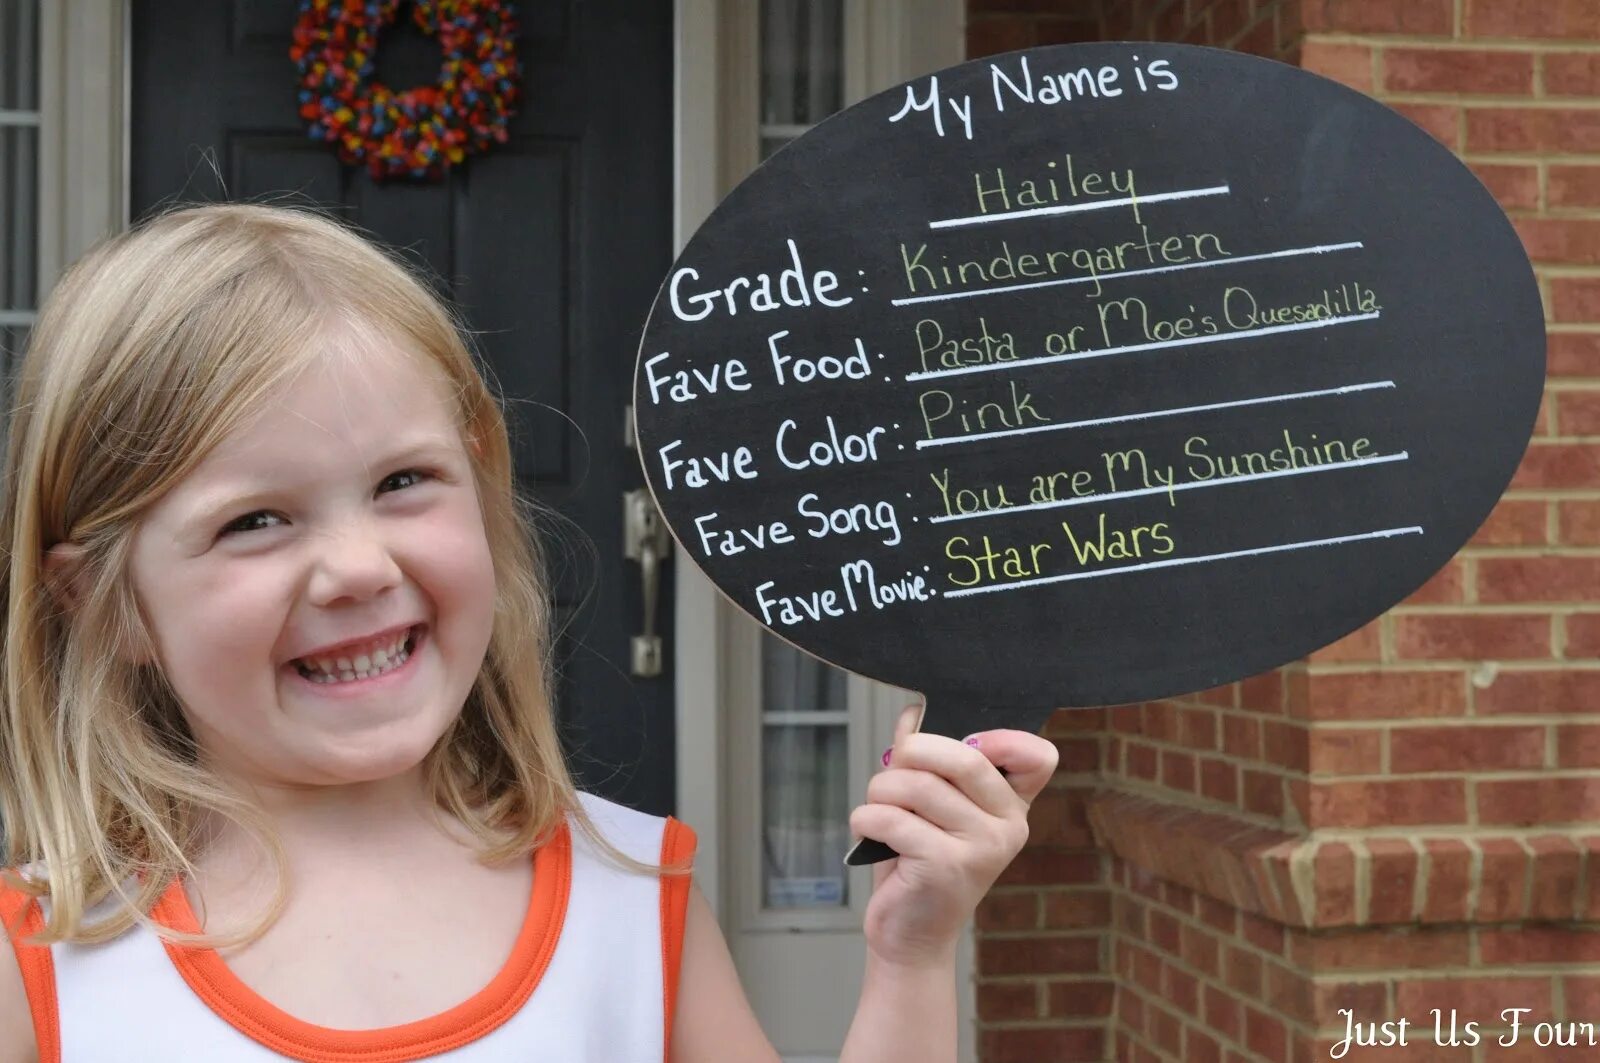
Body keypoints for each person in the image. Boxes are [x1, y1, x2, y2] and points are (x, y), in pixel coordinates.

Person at [0, 203, 1059, 1062]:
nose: (362, 566)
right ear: (103, 600)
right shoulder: (41, 963)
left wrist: (910, 960)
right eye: (255, 521)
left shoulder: (637, 899)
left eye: (403, 481)